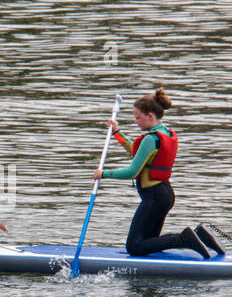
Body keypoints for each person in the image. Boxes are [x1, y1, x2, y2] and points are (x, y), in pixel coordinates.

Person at [93, 88, 223, 258]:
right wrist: (117, 133)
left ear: (150, 116)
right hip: (165, 194)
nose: (135, 121)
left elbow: (133, 171)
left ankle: (183, 239)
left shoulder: (150, 138)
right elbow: (137, 151)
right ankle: (199, 235)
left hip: (153, 198)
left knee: (134, 247)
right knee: (149, 242)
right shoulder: (165, 133)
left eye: (137, 117)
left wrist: (103, 174)